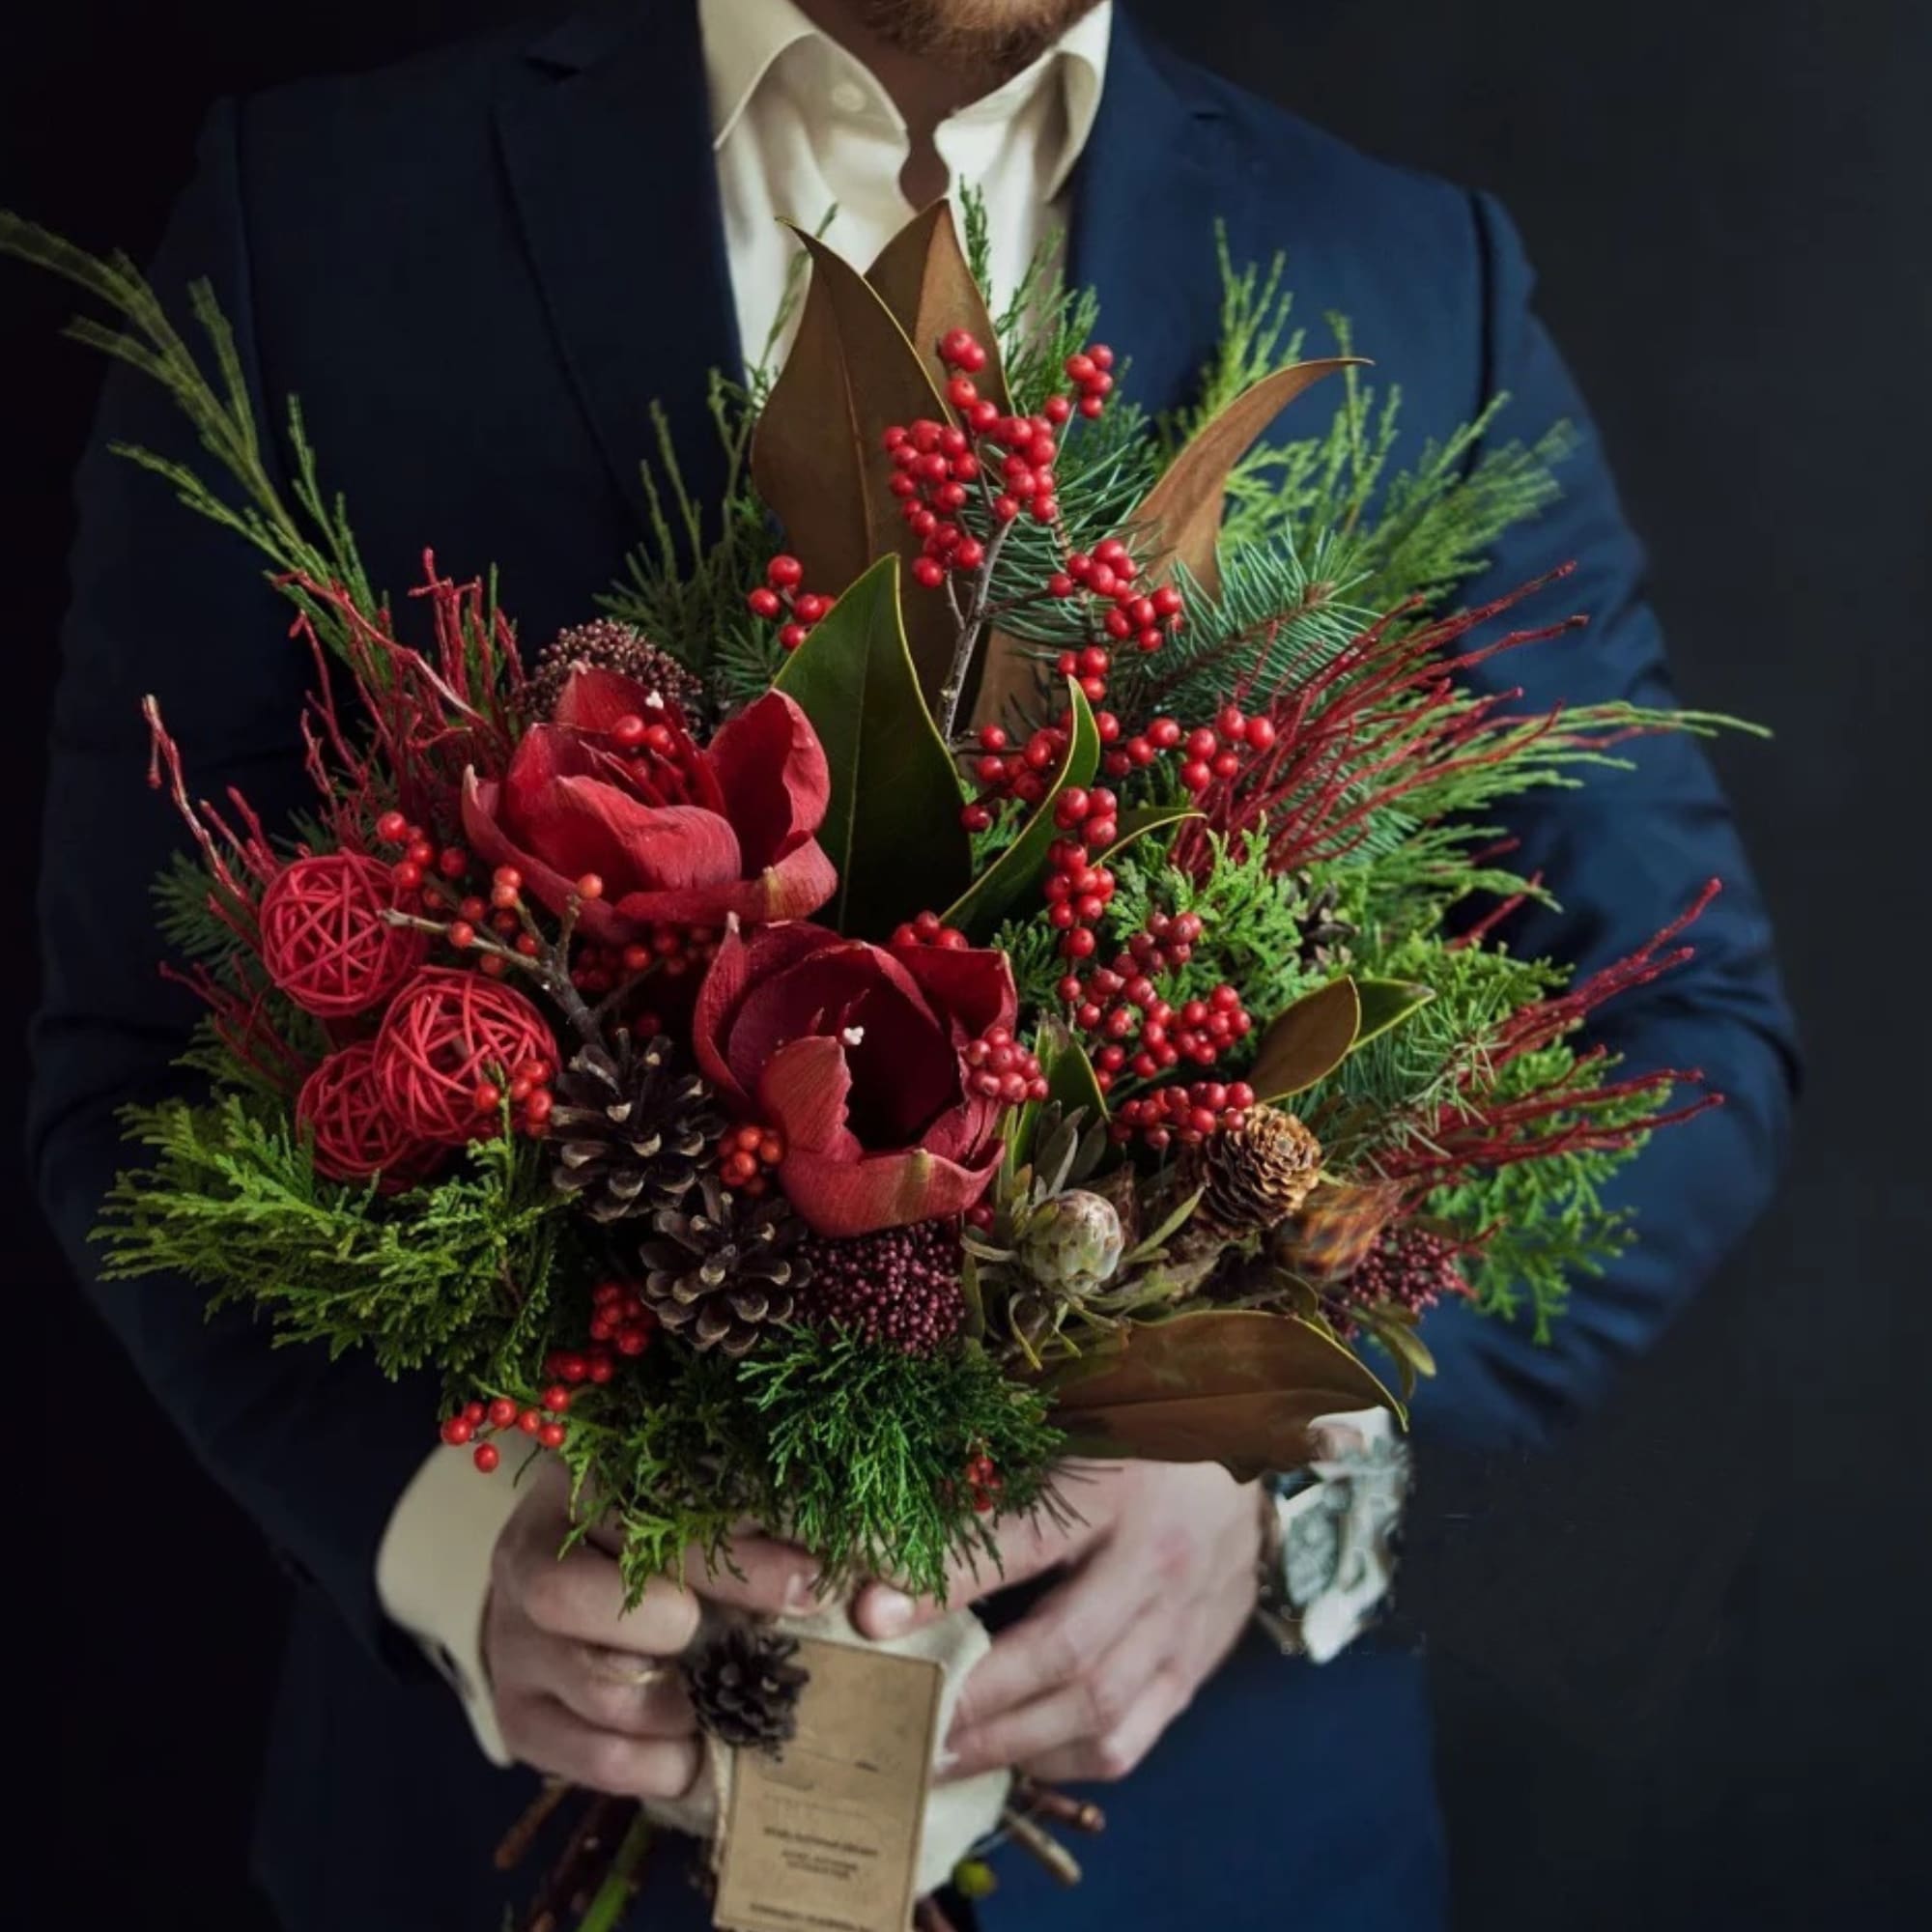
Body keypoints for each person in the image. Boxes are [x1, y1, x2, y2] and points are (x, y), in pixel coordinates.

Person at [26, 1, 1797, 1926]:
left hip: (1214, 1861)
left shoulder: (1401, 270)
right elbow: (130, 1058)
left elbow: (1684, 1038)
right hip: (492, 1849)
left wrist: (1283, 1461)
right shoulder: (325, 212)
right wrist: (449, 1537)